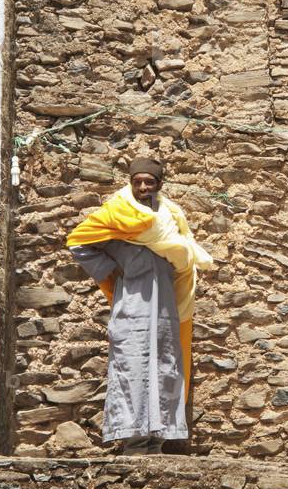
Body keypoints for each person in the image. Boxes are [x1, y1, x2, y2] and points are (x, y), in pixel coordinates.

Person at [66, 156, 215, 454]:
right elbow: (79, 243)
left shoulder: (171, 218)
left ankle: (157, 441)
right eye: (137, 182)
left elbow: (184, 253)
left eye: (149, 181)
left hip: (165, 311)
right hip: (132, 306)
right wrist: (113, 271)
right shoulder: (118, 216)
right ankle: (133, 442)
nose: (143, 186)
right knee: (130, 367)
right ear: (130, 183)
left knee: (166, 368)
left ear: (159, 184)